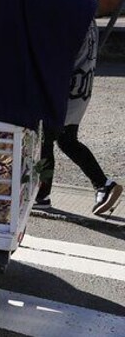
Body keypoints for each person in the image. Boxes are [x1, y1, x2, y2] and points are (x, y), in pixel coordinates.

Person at [35, 21, 122, 216]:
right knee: (66, 140)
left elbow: (58, 55)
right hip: (80, 88)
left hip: (65, 90)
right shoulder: (86, 14)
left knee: (45, 139)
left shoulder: (70, 12)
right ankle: (103, 184)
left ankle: (41, 195)